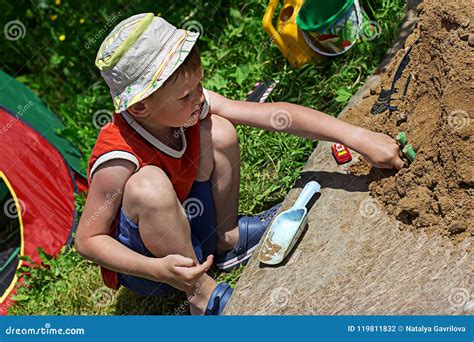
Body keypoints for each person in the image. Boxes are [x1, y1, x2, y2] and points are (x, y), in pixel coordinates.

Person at [75, 13, 404, 316]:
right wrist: (157, 270)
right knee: (148, 185)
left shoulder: (190, 105)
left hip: (190, 222)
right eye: (185, 97)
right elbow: (87, 241)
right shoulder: (118, 158)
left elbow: (276, 115)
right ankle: (200, 294)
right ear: (141, 108)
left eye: (199, 87)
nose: (199, 99)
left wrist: (358, 138)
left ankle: (227, 240)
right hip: (158, 264)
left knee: (219, 129)